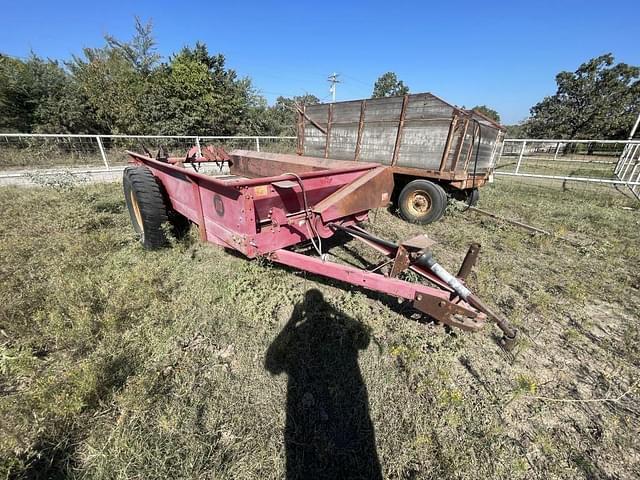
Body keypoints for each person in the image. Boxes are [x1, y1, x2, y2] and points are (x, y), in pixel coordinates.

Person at [265, 289, 382, 480]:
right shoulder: (332, 328)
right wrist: (339, 314)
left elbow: (273, 364)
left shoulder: (301, 328)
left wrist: (293, 320)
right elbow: (363, 340)